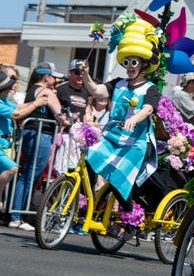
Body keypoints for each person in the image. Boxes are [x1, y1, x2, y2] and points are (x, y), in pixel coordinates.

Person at [80, 18, 161, 218]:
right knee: (89, 160)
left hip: (135, 143)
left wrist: (135, 119)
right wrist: (86, 76)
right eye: (127, 62)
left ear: (143, 64)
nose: (130, 66)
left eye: (134, 62)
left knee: (118, 179)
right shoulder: (118, 83)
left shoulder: (150, 88)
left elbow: (148, 109)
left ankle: (130, 215)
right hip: (112, 137)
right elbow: (98, 92)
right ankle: (88, 200)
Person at [9, 63, 65, 229]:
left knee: (26, 173)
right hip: (41, 134)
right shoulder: (46, 91)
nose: (55, 80)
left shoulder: (31, 89)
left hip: (31, 133)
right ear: (46, 77)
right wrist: (67, 121)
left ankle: (17, 215)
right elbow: (60, 115)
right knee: (31, 175)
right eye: (53, 77)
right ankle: (17, 216)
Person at [0, 70, 19, 216]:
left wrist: (35, 103)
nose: (10, 89)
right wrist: (37, 103)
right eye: (7, 87)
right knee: (12, 168)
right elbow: (16, 114)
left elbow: (20, 108)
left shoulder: (6, 101)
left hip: (5, 145)